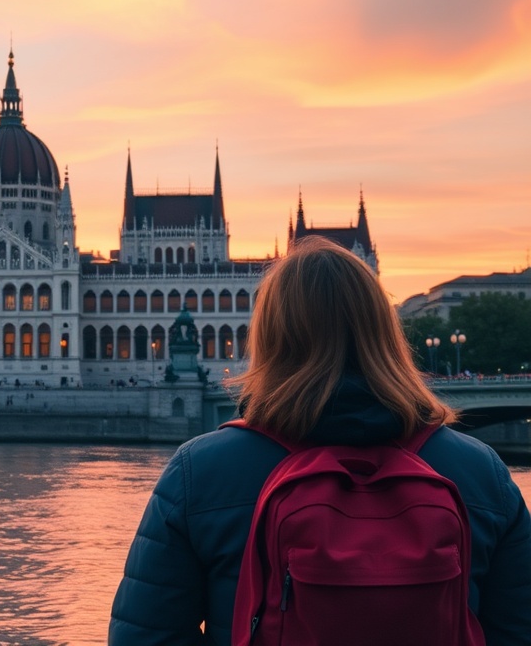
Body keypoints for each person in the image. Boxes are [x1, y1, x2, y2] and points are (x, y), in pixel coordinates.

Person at [109, 236, 531, 645]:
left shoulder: (199, 473)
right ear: (385, 330)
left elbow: (146, 635)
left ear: (269, 336)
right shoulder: (481, 473)